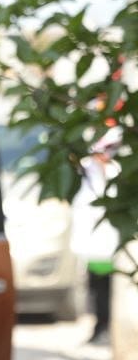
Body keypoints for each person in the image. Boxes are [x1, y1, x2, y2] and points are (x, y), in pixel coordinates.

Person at [72, 132, 120, 345]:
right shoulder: (87, 171)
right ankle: (99, 326)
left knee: (106, 290)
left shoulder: (116, 172)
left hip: (110, 245)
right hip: (93, 244)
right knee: (95, 289)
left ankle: (105, 327)